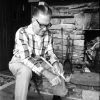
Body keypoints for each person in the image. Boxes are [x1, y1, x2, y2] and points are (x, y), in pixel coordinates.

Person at [9, 2, 69, 100]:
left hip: (38, 61)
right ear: (33, 20)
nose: (44, 29)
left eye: (47, 25)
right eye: (41, 25)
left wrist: (55, 63)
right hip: (19, 62)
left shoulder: (48, 34)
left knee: (59, 66)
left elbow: (50, 52)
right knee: (25, 71)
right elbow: (26, 58)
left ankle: (58, 96)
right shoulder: (22, 32)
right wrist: (46, 73)